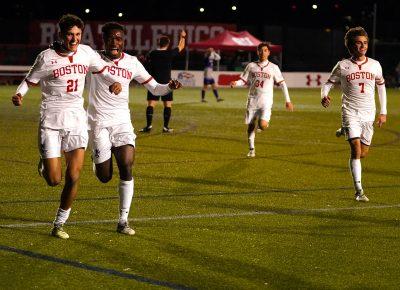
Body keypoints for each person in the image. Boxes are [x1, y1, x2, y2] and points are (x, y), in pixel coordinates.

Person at [11, 14, 122, 239]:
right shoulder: (46, 58)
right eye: (70, 34)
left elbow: (103, 70)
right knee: (54, 180)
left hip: (76, 121)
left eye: (78, 34)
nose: (74, 39)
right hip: (51, 121)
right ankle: (44, 162)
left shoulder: (86, 53)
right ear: (61, 34)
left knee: (74, 175)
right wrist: (19, 94)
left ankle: (59, 223)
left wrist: (114, 82)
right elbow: (29, 80)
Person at [87, 22, 182, 235]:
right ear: (103, 39)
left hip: (122, 123)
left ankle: (123, 220)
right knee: (104, 176)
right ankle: (97, 158)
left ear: (123, 41)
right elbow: (70, 55)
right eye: (111, 37)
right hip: (99, 123)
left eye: (119, 38)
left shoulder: (132, 63)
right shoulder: (92, 58)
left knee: (127, 165)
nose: (115, 41)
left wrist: (169, 87)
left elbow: (155, 87)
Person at [321, 26, 387, 202]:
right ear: (350, 46)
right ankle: (359, 191)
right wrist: (324, 95)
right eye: (358, 43)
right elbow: (328, 84)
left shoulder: (375, 65)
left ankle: (344, 129)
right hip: (350, 111)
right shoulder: (342, 66)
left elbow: (381, 86)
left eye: (365, 43)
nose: (362, 46)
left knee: (363, 154)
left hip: (368, 114)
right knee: (356, 150)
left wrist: (383, 112)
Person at [231, 42, 293, 157]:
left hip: (266, 101)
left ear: (269, 52)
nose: (262, 52)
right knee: (250, 126)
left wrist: (288, 100)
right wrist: (236, 83)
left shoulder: (274, 67)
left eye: (265, 50)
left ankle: (263, 125)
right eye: (260, 50)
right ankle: (251, 149)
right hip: (252, 100)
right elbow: (243, 80)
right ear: (257, 52)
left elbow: (282, 84)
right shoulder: (251, 66)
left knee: (263, 125)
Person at [139, 30, 186, 133]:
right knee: (168, 104)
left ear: (158, 43)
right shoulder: (169, 53)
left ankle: (148, 126)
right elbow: (181, 47)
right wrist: (182, 37)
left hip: (153, 83)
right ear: (168, 44)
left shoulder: (152, 53)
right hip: (167, 84)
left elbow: (145, 63)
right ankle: (165, 127)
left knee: (151, 104)